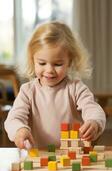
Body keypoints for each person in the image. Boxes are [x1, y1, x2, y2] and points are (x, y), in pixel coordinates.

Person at [4, 21, 106, 149]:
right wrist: (19, 130)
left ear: (70, 62)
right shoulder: (28, 91)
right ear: (32, 60)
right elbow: (13, 118)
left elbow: (93, 109)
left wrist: (94, 122)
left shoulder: (76, 88)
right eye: (42, 63)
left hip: (72, 156)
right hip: (40, 158)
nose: (49, 70)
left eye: (57, 64)